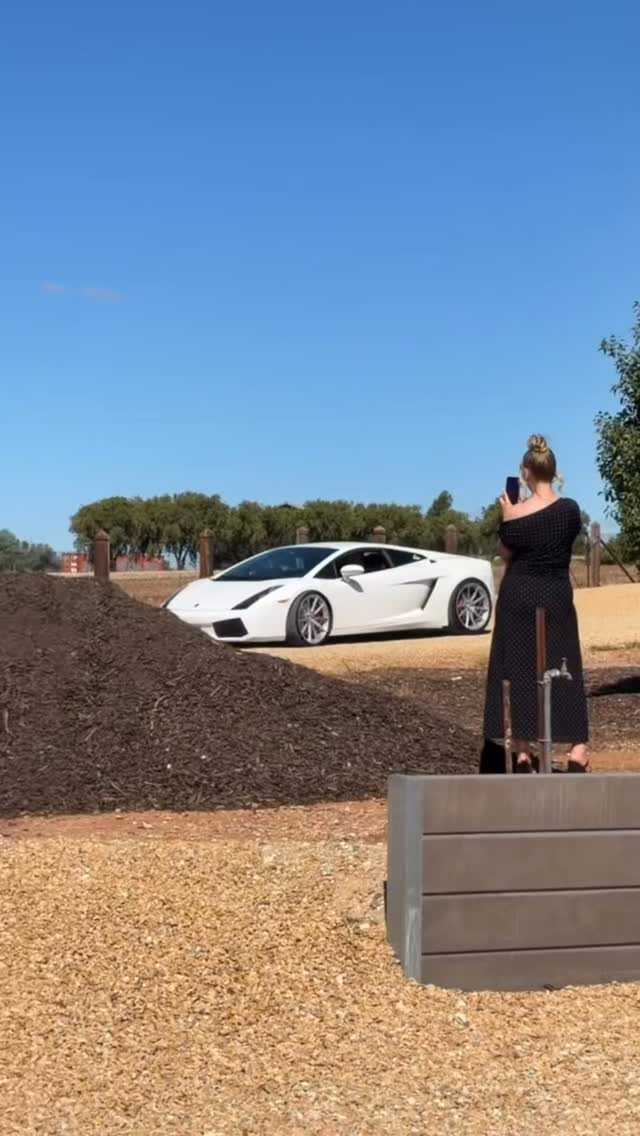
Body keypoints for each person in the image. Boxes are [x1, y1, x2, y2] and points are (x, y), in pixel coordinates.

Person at [482, 435, 589, 772]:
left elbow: (505, 553)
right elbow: (558, 540)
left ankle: (525, 748)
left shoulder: (515, 515)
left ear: (526, 473)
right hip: (555, 593)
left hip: (519, 595)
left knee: (520, 668)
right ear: (554, 471)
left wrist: (509, 513)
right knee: (565, 663)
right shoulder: (570, 511)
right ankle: (577, 747)